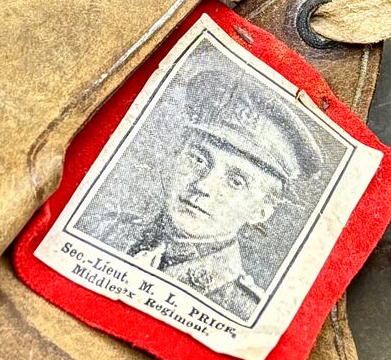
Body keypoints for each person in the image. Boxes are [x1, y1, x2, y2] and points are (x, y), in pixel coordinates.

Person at [107, 72, 324, 322]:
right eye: (198, 159)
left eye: (236, 181)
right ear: (177, 154)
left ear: (261, 211)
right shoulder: (109, 230)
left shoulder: (243, 311)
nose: (203, 186)